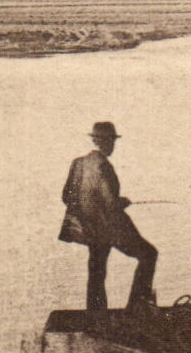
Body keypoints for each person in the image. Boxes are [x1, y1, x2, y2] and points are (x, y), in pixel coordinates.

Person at [59, 121, 158, 317]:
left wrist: (89, 210)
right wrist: (122, 202)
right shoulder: (104, 166)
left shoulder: (78, 164)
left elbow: (66, 197)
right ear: (104, 142)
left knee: (96, 271)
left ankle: (96, 317)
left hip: (88, 229)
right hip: (109, 228)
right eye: (111, 141)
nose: (113, 145)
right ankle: (137, 307)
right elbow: (110, 203)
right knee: (149, 255)